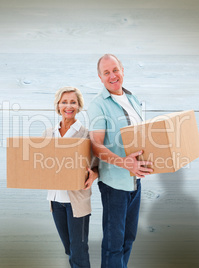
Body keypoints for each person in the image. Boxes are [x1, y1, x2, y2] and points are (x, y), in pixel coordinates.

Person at [87, 54, 153, 268]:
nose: (112, 75)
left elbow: (140, 137)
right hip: (114, 184)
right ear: (100, 77)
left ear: (122, 71)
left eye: (115, 70)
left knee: (128, 238)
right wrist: (125, 163)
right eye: (106, 72)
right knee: (114, 244)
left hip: (135, 180)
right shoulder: (98, 105)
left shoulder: (133, 99)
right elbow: (96, 145)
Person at [42, 86, 98, 268]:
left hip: (77, 201)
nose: (68, 106)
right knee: (69, 248)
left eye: (73, 102)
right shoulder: (48, 134)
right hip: (55, 200)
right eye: (64, 102)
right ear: (58, 106)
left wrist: (94, 175)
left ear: (79, 106)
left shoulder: (86, 135)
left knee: (79, 250)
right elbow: (40, 163)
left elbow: (98, 164)